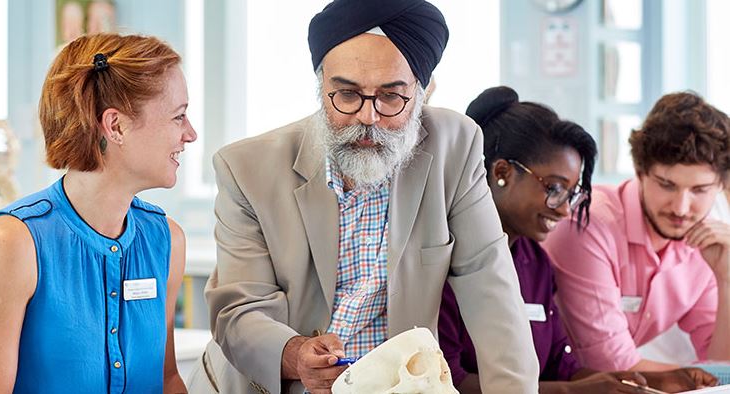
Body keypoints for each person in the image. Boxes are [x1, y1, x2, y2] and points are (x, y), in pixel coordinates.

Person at [188, 1, 539, 393]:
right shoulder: (246, 169)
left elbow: (493, 293)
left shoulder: (454, 147)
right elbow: (239, 312)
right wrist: (294, 353)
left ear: (421, 93)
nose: (367, 117)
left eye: (391, 97)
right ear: (321, 88)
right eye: (347, 94)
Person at [0, 33, 197, 393]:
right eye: (178, 116)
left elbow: (166, 380)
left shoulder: (166, 240)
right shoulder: (9, 245)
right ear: (115, 126)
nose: (190, 134)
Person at [439, 86, 718, 393]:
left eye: (571, 194)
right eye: (554, 189)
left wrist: (656, 380)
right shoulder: (448, 257)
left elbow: (563, 366)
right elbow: (446, 379)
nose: (564, 211)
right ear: (502, 172)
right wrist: (573, 392)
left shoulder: (534, 262)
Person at [543, 91, 730, 372]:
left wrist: (727, 279)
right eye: (666, 185)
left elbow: (722, 366)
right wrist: (706, 378)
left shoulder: (703, 245)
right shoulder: (588, 226)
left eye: (699, 190)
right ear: (640, 171)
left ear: (720, 188)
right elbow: (614, 367)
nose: (681, 208)